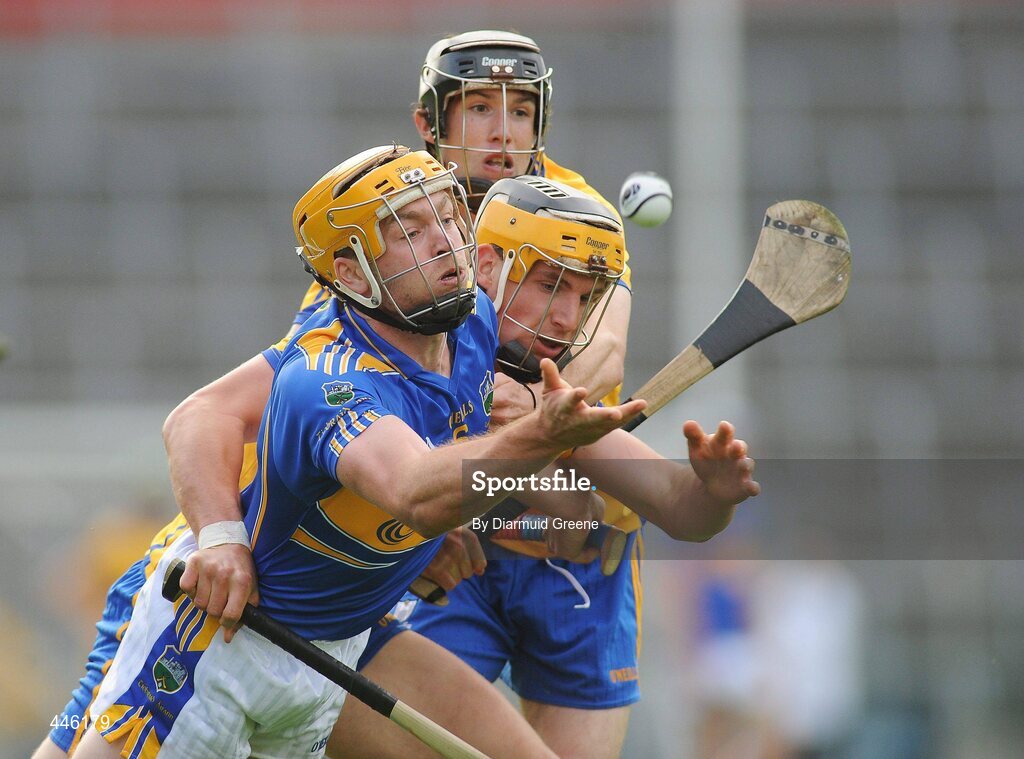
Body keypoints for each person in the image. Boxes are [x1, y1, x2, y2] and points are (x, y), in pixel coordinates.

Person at [34, 29, 632, 759]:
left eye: (446, 221)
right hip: (236, 611)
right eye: (479, 107)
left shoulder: (483, 305)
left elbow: (588, 405)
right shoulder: (337, 346)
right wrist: (223, 537)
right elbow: (207, 416)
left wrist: (481, 499)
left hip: (346, 632)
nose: (502, 130)